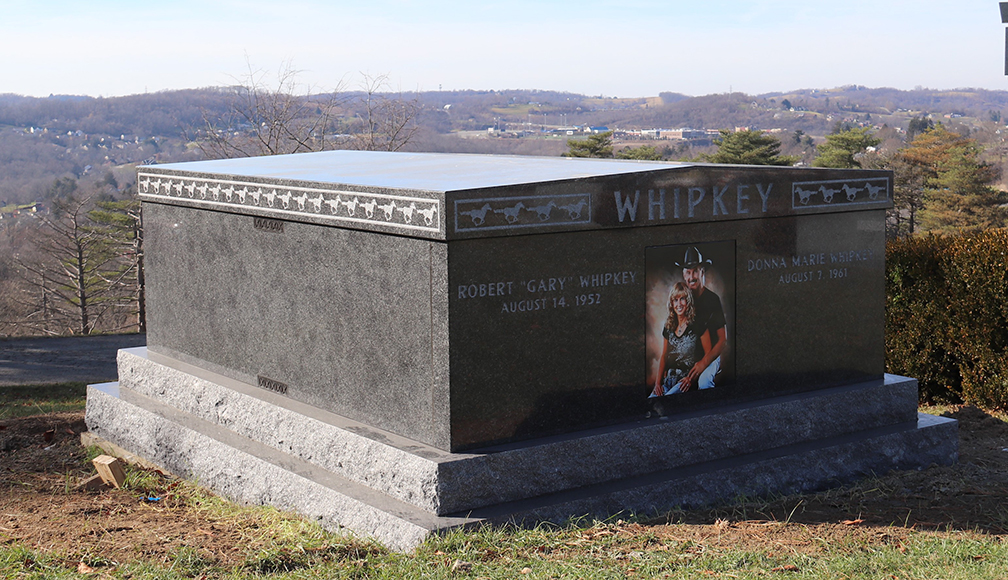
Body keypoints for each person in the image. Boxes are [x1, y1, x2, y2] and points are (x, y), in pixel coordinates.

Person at [676, 246, 726, 391]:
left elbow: (723, 340)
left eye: (695, 271)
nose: (692, 277)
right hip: (690, 358)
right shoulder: (682, 301)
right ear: (684, 275)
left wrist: (704, 363)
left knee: (704, 383)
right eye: (688, 272)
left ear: (702, 272)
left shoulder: (713, 300)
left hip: (711, 357)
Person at [652, 282, 712, 396]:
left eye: (682, 299)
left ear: (688, 301)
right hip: (668, 380)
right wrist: (657, 384)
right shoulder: (668, 326)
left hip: (685, 383)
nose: (679, 304)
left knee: (665, 404)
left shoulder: (698, 324)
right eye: (675, 300)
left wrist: (691, 379)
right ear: (671, 303)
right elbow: (664, 356)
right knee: (651, 401)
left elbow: (708, 355)